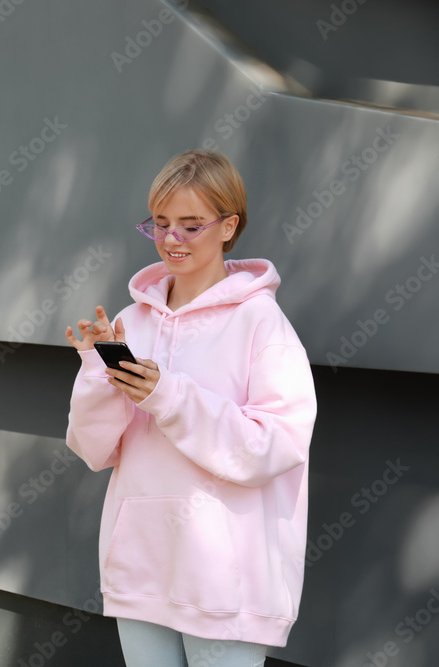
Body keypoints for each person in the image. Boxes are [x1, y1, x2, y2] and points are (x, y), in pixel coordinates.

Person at [63, 149, 318, 667]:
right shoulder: (130, 324)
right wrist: (97, 368)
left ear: (229, 226)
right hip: (141, 568)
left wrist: (169, 395)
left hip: (230, 584)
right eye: (159, 224)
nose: (171, 239)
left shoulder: (263, 325)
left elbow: (275, 447)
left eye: (190, 225)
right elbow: (94, 450)